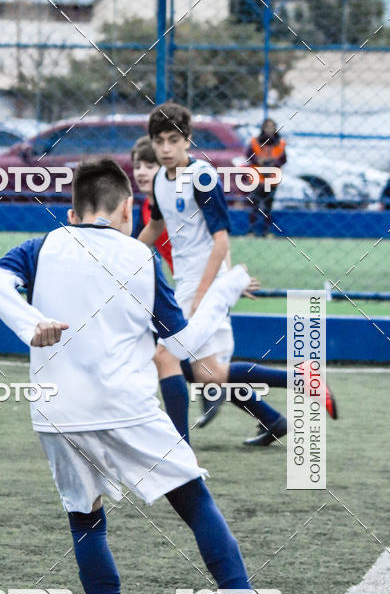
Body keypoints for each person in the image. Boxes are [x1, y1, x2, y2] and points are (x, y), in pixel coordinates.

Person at [0, 158, 322, 594]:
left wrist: (31, 323)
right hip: (127, 408)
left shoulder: (42, 247)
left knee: (86, 521)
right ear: (123, 210)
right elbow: (182, 347)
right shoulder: (139, 256)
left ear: (73, 210)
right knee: (192, 498)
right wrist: (226, 289)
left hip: (56, 412)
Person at [139, 101, 338, 446]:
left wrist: (206, 293)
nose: (166, 148)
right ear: (153, 143)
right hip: (190, 283)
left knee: (164, 356)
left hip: (204, 284)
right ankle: (301, 382)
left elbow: (220, 243)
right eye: (160, 141)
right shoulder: (159, 180)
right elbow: (155, 226)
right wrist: (120, 256)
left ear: (188, 140)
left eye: (174, 139)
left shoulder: (201, 177)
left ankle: (178, 450)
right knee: (209, 374)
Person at [131, 136, 173, 273]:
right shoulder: (146, 206)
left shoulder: (178, 202)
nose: (141, 172)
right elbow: (135, 248)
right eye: (137, 167)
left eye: (149, 167)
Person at [246, 118, 286, 236]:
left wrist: (273, 163)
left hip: (272, 179)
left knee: (268, 206)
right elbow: (249, 156)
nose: (269, 129)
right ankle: (252, 230)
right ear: (263, 128)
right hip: (257, 178)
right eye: (267, 127)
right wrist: (259, 161)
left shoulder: (280, 142)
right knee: (254, 205)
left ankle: (266, 231)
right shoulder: (255, 141)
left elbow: (283, 159)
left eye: (272, 127)